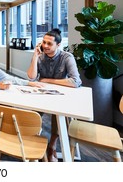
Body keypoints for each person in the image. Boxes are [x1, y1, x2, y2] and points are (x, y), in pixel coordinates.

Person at [27, 28, 82, 162]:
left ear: (58, 45)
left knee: (58, 115)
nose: (45, 46)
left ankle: (52, 146)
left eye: (49, 44)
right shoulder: (39, 57)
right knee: (32, 115)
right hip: (42, 94)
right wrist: (35, 56)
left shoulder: (66, 57)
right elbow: (31, 77)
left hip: (60, 96)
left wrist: (48, 80)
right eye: (43, 42)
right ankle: (32, 142)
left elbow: (76, 81)